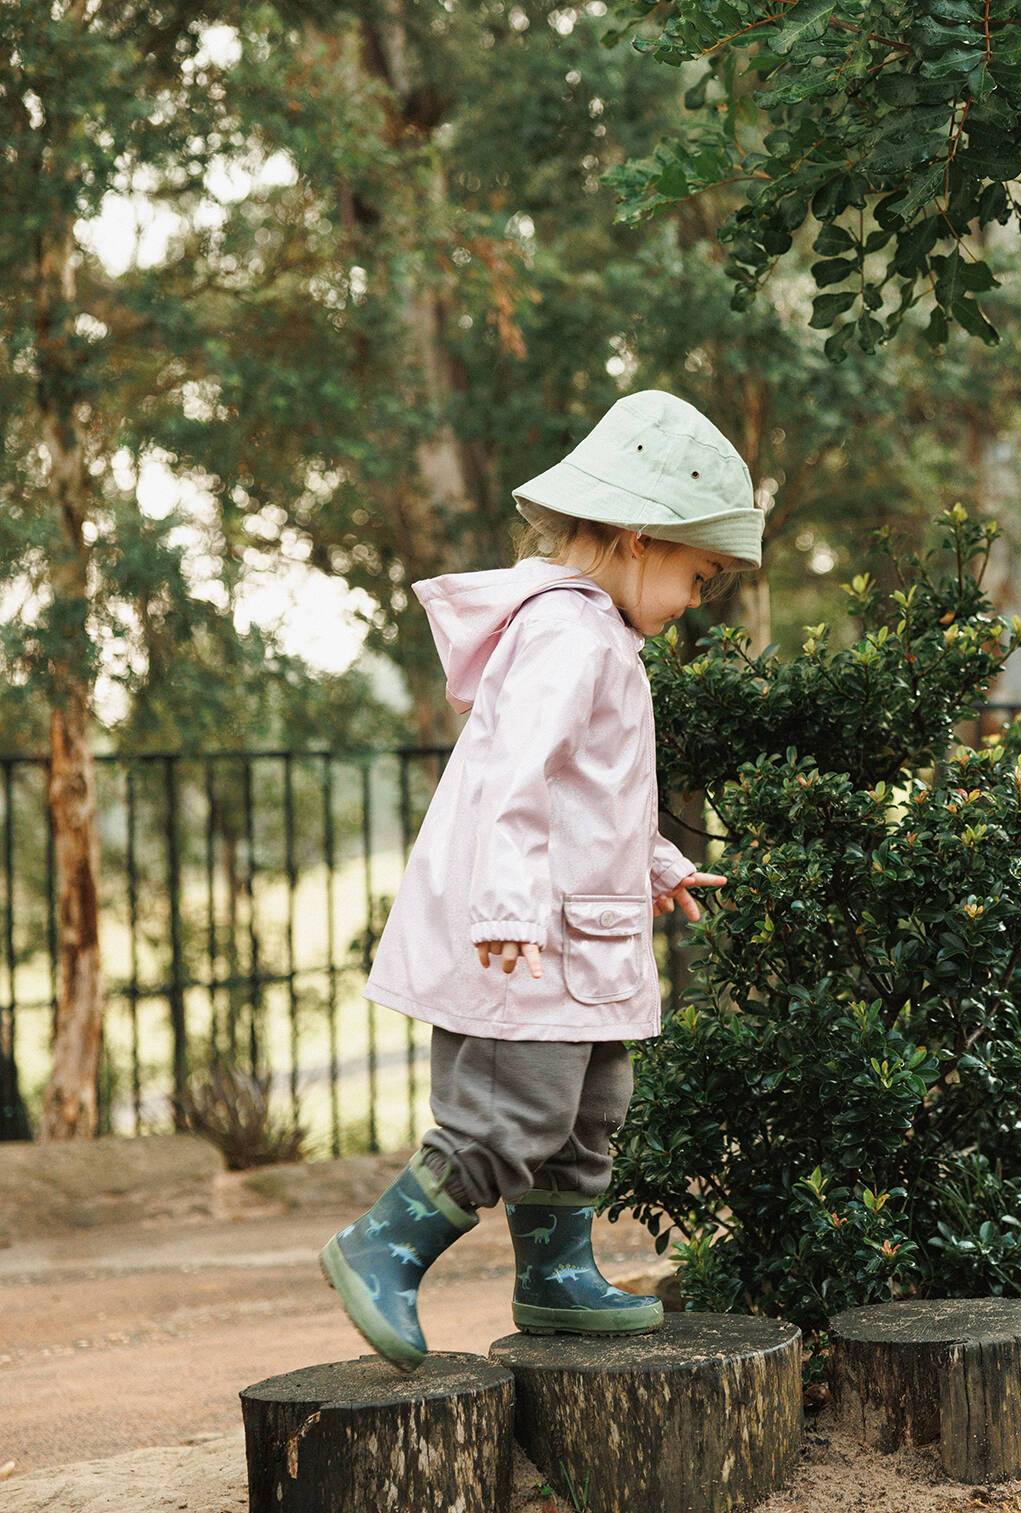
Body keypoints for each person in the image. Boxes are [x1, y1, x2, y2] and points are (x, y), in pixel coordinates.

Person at [319, 390, 762, 1369]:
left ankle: (554, 1274)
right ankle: (380, 1247)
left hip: (582, 935)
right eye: (702, 575)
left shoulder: (604, 636)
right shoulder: (566, 633)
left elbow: (596, 790)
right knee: (511, 1113)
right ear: (640, 540)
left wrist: (656, 861)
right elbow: (517, 776)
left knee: (588, 1109)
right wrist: (511, 907)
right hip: (520, 935)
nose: (698, 600)